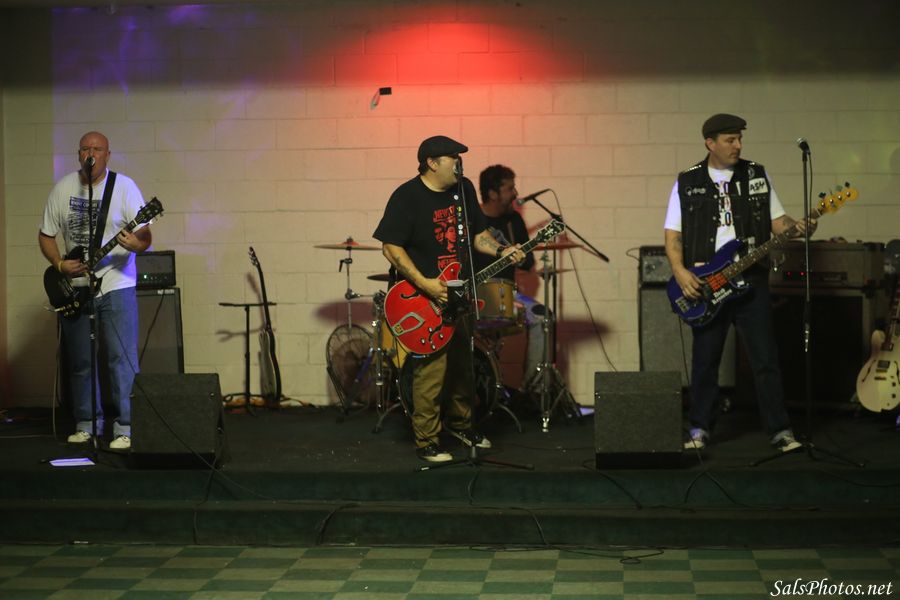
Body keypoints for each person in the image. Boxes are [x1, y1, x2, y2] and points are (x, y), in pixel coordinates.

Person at [663, 114, 815, 453]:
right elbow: (673, 234)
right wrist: (679, 271)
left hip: (752, 279)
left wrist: (798, 226)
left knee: (765, 358)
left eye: (739, 139)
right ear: (710, 143)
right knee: (706, 361)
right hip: (707, 283)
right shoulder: (687, 181)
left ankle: (780, 430)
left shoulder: (756, 174)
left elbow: (779, 222)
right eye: (730, 140)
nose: (738, 145)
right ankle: (700, 428)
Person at [373, 136, 525, 462]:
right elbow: (390, 247)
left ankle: (461, 425)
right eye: (453, 157)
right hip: (423, 297)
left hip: (459, 293)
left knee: (462, 366)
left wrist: (502, 250)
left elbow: (478, 236)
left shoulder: (463, 190)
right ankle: (427, 440)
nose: (459, 162)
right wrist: (425, 284)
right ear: (432, 162)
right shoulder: (407, 196)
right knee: (430, 372)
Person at [39, 131, 152, 450]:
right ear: (79, 155)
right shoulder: (63, 188)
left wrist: (136, 243)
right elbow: (46, 235)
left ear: (107, 154)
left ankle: (125, 427)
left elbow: (145, 236)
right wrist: (60, 264)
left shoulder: (124, 187)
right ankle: (87, 424)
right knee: (80, 361)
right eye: (86, 149)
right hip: (76, 288)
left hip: (117, 284)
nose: (91, 154)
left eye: (98, 149)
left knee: (121, 358)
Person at [474, 165, 547, 387]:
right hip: (474, 298)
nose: (515, 193)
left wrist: (520, 256)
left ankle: (532, 389)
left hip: (509, 295)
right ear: (493, 193)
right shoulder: (473, 220)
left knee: (542, 317)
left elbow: (528, 263)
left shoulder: (513, 221)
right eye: (509, 188)